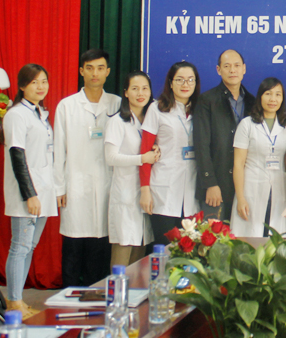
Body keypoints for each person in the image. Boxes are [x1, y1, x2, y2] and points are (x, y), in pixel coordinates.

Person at [54, 49, 121, 286]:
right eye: (90, 68)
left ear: (108, 72)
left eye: (100, 68)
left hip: (107, 184)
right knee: (73, 245)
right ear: (81, 71)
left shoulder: (117, 103)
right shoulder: (67, 106)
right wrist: (59, 188)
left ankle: (97, 296)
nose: (95, 73)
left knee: (101, 245)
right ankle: (68, 296)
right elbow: (58, 149)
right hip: (75, 183)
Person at [3, 64, 56, 318]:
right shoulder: (16, 115)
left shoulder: (39, 114)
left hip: (43, 190)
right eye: (34, 82)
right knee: (20, 246)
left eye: (44, 81)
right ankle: (13, 302)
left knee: (29, 246)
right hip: (28, 193)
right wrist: (29, 194)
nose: (40, 86)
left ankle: (19, 300)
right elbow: (17, 155)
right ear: (22, 86)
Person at [139, 61, 200, 244]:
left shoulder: (201, 110)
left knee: (189, 250)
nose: (185, 84)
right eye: (179, 80)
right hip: (163, 190)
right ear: (170, 83)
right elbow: (145, 151)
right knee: (164, 248)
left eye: (190, 80)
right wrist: (145, 190)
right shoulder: (157, 108)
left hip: (191, 191)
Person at [105, 71, 158, 267]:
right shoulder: (117, 121)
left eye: (145, 88)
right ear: (126, 92)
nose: (140, 93)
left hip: (146, 193)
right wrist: (142, 159)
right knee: (123, 253)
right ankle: (117, 288)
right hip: (125, 194)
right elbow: (110, 157)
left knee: (139, 257)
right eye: (135, 89)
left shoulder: (151, 120)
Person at [194, 50, 255, 220]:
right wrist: (210, 183)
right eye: (227, 66)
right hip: (216, 185)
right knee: (214, 235)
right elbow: (201, 145)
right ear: (218, 70)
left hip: (246, 186)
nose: (232, 70)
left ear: (244, 68)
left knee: (242, 236)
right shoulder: (207, 100)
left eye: (237, 66)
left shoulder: (253, 102)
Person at [231, 77, 286, 237]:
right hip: (251, 189)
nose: (273, 99)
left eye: (278, 95)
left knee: (277, 239)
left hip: (280, 189)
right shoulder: (247, 124)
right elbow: (238, 164)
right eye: (268, 94)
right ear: (260, 97)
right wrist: (240, 198)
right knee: (250, 237)